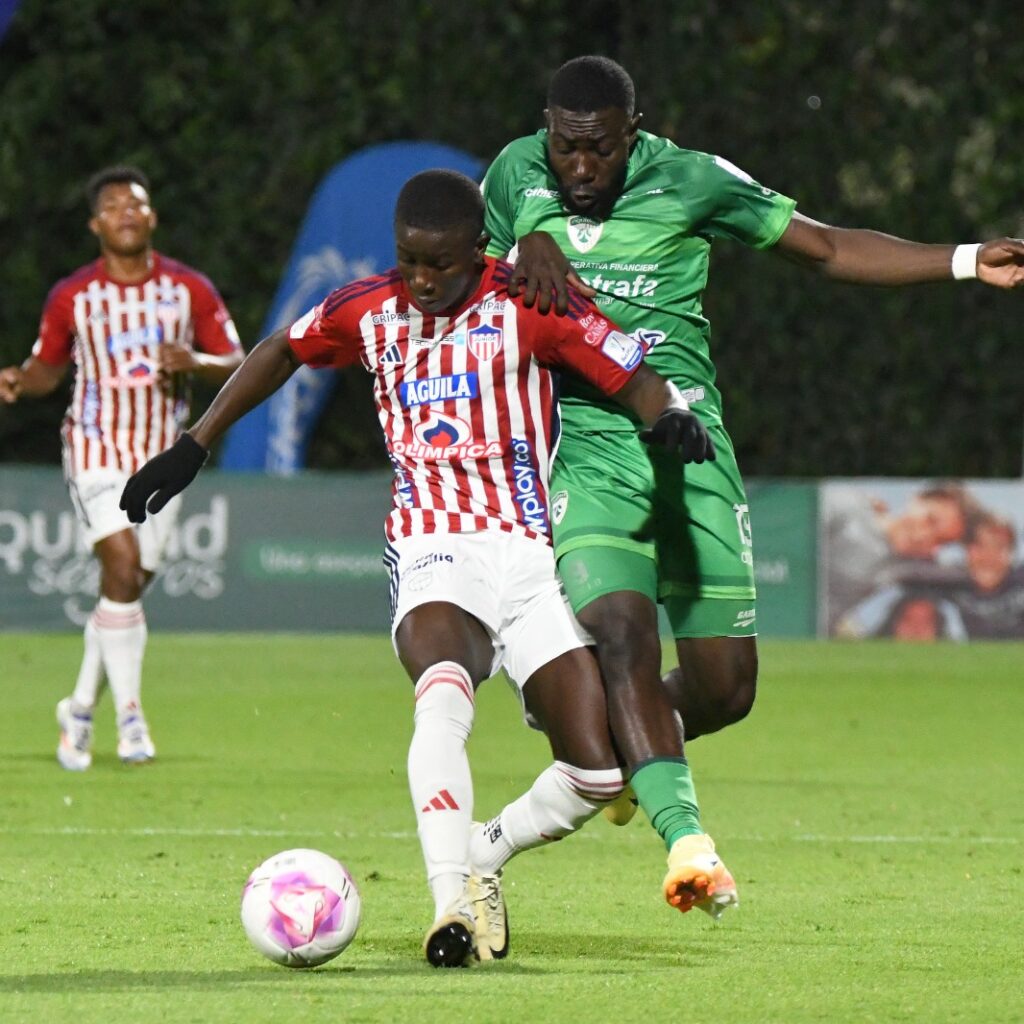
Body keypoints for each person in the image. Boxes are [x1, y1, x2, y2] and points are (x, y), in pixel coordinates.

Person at [119, 169, 728, 967]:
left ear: (478, 251)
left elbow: (635, 373)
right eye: (409, 260)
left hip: (527, 554)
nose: (423, 279)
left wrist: (670, 414)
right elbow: (281, 350)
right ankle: (450, 908)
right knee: (443, 690)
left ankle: (482, 855)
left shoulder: (530, 304)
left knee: (600, 772)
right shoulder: (367, 308)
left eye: (440, 264)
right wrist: (195, 444)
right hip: (432, 545)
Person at [479, 56, 1024, 862]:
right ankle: (685, 842)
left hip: (689, 445)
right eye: (567, 148)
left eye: (601, 149)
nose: (582, 168)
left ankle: (613, 739)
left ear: (635, 133)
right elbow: (457, 286)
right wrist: (515, 256)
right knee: (624, 638)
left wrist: (965, 258)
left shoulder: (695, 179)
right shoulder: (512, 174)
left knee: (726, 688)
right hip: (587, 447)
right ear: (546, 133)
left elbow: (826, 247)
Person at [0, 165, 243, 770]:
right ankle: (131, 719)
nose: (125, 214)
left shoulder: (189, 288)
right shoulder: (74, 295)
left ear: (152, 215)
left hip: (164, 456)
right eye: (112, 207)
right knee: (123, 566)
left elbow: (238, 359)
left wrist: (196, 361)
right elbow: (47, 368)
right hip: (96, 448)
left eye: (135, 204)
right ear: (95, 225)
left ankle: (79, 708)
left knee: (125, 590)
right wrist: (19, 381)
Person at [824, 483, 978, 634]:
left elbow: (975, 572)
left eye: (941, 541)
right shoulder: (847, 508)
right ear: (916, 499)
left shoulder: (907, 566)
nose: (923, 536)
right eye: (930, 519)